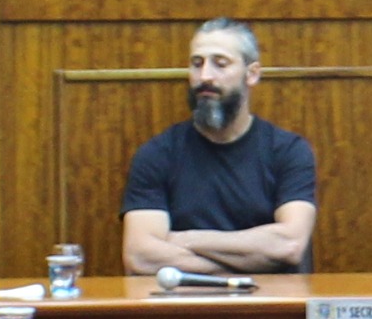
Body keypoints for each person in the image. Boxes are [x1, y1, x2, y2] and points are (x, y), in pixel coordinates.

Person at [120, 18, 319, 275]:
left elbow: (289, 245)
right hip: (186, 299)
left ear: (252, 74)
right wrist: (250, 265)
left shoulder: (288, 151)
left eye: (220, 64)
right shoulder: (157, 154)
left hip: (270, 300)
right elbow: (141, 256)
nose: (205, 76)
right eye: (197, 64)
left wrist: (185, 239)